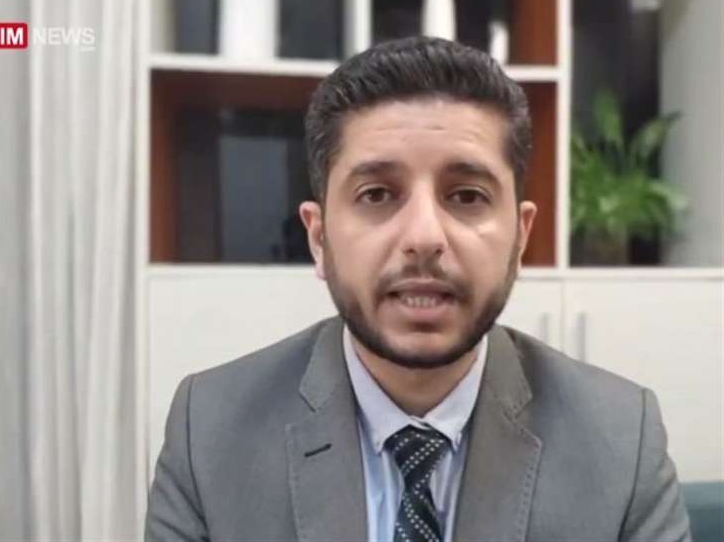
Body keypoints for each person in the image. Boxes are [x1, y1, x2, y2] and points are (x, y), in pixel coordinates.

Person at [145, 37, 691, 542]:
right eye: (377, 194)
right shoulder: (209, 433)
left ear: (521, 236)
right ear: (319, 237)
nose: (425, 237)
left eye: (467, 195)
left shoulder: (622, 442)